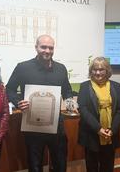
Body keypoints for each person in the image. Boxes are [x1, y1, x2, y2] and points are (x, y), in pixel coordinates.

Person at [6, 34, 73, 172]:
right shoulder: (23, 67)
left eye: (51, 48)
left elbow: (67, 90)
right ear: (36, 47)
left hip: (56, 125)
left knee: (60, 163)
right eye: (43, 47)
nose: (47, 51)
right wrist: (18, 102)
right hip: (33, 125)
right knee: (35, 165)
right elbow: (9, 89)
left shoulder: (61, 68)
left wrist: (70, 101)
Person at [77, 57, 120, 172]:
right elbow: (83, 110)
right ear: (91, 70)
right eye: (94, 69)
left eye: (101, 69)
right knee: (92, 167)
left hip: (110, 135)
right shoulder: (84, 86)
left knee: (108, 167)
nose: (97, 72)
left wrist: (112, 130)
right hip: (91, 135)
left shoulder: (116, 86)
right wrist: (98, 129)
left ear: (107, 70)